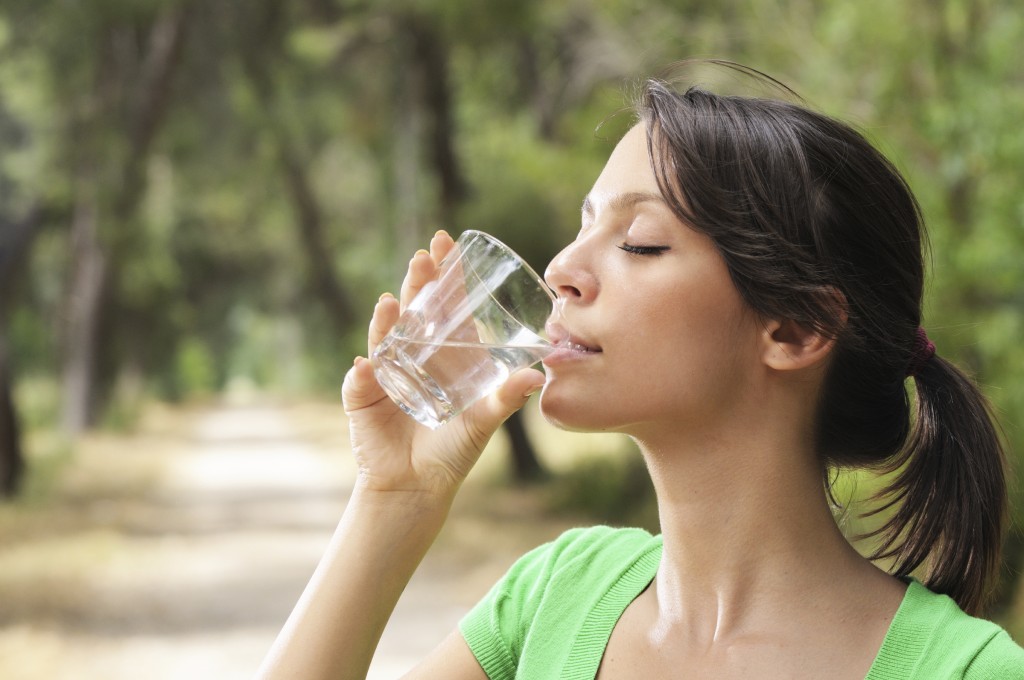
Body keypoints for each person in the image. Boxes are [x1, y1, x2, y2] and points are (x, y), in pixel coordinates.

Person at [257, 62, 1024, 679]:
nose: (561, 269)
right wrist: (393, 499)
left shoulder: (963, 669)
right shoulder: (557, 595)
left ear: (794, 329)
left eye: (641, 243)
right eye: (586, 225)